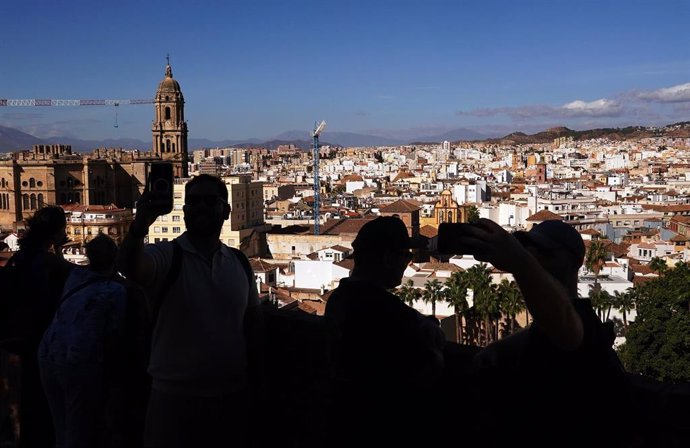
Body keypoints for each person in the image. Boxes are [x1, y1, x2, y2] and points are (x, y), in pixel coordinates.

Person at [117, 174, 264, 448]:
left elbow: (252, 324)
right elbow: (129, 267)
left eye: (211, 201)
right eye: (193, 201)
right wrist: (138, 227)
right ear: (183, 210)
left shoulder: (239, 262)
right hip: (173, 398)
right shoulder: (166, 256)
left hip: (231, 396)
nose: (201, 207)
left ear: (226, 210)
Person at [466, 219, 635, 447]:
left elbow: (566, 329)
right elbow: (549, 328)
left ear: (575, 261)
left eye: (546, 252)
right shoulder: (558, 323)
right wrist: (502, 348)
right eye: (530, 251)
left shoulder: (581, 323)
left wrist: (520, 262)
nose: (537, 258)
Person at [324, 216, 446, 447]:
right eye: (406, 256)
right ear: (389, 259)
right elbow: (430, 370)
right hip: (381, 428)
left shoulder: (339, 299)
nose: (408, 263)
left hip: (343, 421)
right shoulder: (390, 313)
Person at [38, 234, 127, 448]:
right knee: (78, 428)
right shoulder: (115, 291)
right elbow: (115, 334)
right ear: (114, 258)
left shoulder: (75, 277)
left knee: (60, 424)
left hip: (48, 351)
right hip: (78, 360)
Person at [1, 206, 75, 448]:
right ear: (56, 232)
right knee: (40, 413)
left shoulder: (18, 258)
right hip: (39, 346)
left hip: (12, 347)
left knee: (18, 414)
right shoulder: (50, 264)